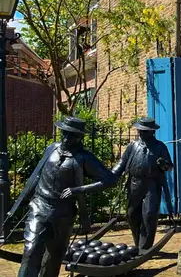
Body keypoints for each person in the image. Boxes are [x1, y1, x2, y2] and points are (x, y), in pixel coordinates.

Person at [12, 117, 118, 277]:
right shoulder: (51, 149)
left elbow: (110, 180)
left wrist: (79, 189)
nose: (67, 138)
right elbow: (36, 176)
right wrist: (19, 202)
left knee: (53, 257)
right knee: (31, 249)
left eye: (72, 135)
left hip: (63, 213)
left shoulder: (84, 158)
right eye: (65, 134)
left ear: (79, 137)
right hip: (40, 206)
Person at [111, 117, 174, 250]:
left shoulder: (159, 146)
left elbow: (170, 166)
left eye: (145, 131)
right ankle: (138, 242)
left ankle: (145, 246)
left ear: (152, 132)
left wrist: (164, 164)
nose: (141, 133)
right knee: (131, 214)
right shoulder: (132, 146)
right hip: (134, 183)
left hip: (151, 184)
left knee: (150, 214)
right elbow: (121, 164)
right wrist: (110, 176)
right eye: (140, 130)